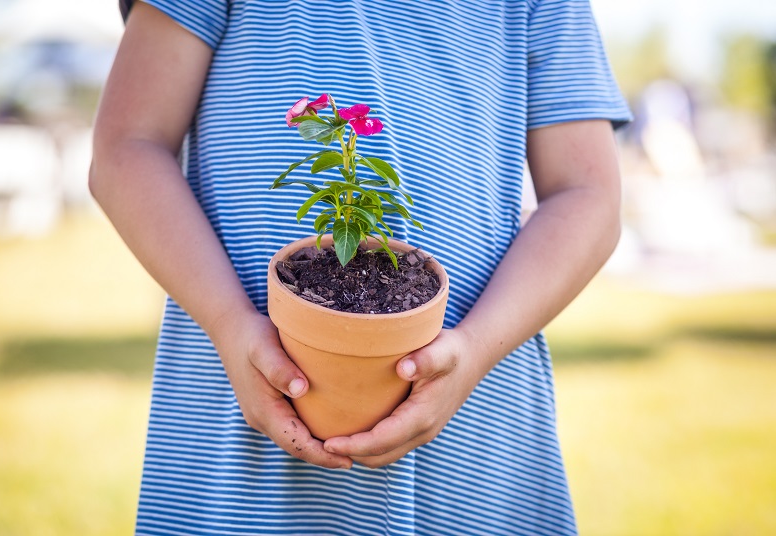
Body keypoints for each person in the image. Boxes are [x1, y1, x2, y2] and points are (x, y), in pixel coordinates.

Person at [90, 1, 631, 534]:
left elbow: (588, 194)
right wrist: (229, 322)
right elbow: (127, 146)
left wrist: (475, 349)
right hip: (241, 418)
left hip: (474, 424)